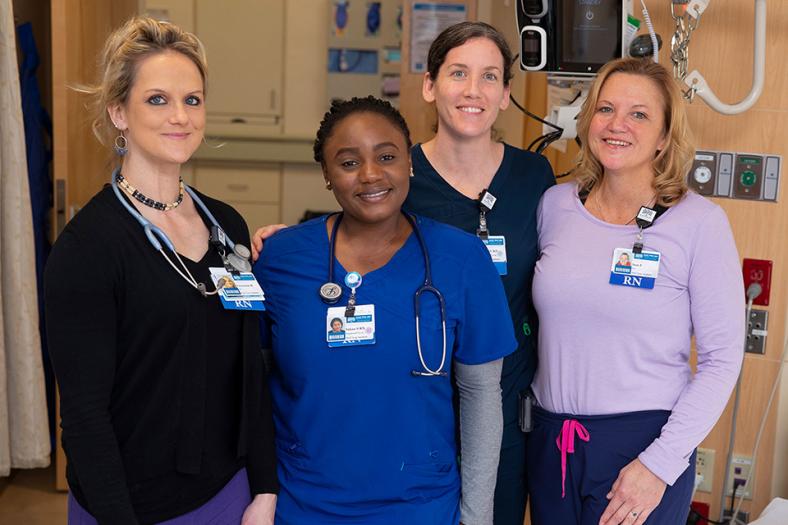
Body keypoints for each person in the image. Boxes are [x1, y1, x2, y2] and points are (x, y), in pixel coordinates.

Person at [251, 23, 554, 524]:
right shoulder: (286, 262)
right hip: (310, 495)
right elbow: (254, 377)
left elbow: (483, 391)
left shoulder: (521, 191)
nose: (371, 174)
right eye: (458, 73)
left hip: (435, 470)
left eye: (489, 76)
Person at [45, 17, 278, 525]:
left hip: (228, 493)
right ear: (118, 112)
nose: (181, 116)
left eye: (192, 100)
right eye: (158, 99)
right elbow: (84, 420)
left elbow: (248, 368)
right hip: (129, 508)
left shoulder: (226, 226)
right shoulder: (88, 249)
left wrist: (263, 488)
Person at [528, 57, 744, 525]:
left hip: (642, 448)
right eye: (605, 109)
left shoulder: (699, 223)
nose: (617, 125)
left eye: (639, 114)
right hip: (551, 444)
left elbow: (722, 360)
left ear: (665, 136)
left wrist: (660, 463)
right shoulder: (555, 206)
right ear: (587, 122)